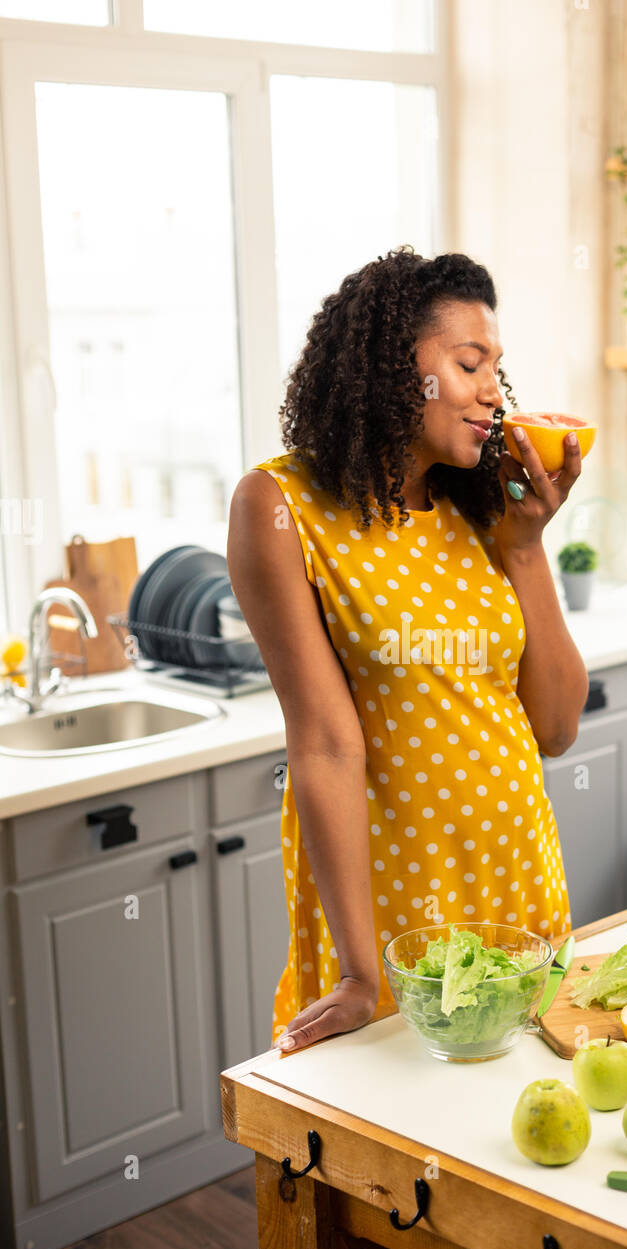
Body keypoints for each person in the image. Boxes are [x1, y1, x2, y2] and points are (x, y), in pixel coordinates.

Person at [227, 247, 589, 1053]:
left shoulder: (480, 508)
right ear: (397, 365)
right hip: (394, 918)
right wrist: (360, 971)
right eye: (471, 363)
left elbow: (557, 728)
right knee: (393, 1159)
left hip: (518, 885)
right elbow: (323, 743)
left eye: (498, 366)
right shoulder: (281, 507)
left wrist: (527, 546)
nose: (496, 391)